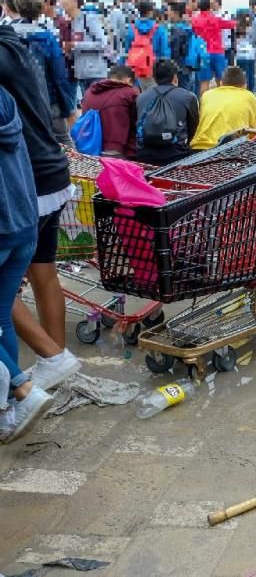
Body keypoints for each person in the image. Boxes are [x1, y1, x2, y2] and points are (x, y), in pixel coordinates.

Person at [0, 24, 79, 391]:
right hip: (52, 171)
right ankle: (55, 362)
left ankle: (51, 357)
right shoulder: (17, 47)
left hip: (25, 179)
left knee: (6, 286)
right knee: (43, 272)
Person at [0, 85, 53, 444]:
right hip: (23, 222)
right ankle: (7, 409)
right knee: (1, 316)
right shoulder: (3, 95)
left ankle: (21, 388)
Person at [10, 0, 75, 144]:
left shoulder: (7, 36)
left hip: (16, 100)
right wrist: (65, 105)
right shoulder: (46, 37)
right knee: (63, 141)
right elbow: (59, 74)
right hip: (47, 99)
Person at [136, 59, 199, 166]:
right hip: (176, 155)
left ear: (154, 78)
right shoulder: (188, 97)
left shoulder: (141, 98)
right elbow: (193, 126)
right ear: (175, 77)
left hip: (145, 155)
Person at [190, 66, 256, 150]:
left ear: (221, 83)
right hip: (227, 150)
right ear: (244, 86)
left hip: (198, 148)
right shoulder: (248, 96)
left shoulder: (206, 95)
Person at [58, 0, 110, 97]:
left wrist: (75, 45)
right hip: (80, 74)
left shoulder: (89, 19)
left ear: (75, 0)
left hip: (95, 73)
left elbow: (103, 43)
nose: (61, 2)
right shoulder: (69, 22)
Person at [81, 65, 139, 157]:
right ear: (128, 80)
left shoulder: (89, 92)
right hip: (118, 151)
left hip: (89, 147)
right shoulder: (130, 93)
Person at [192, 0, 236, 95]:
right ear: (209, 7)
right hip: (217, 52)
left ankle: (203, 105)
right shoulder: (216, 19)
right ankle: (221, 103)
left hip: (202, 53)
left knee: (204, 83)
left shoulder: (195, 20)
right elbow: (232, 24)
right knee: (221, 81)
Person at [123, 0, 170, 90]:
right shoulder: (158, 28)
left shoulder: (132, 28)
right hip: (153, 67)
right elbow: (164, 50)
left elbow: (127, 48)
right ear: (151, 12)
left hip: (136, 66)